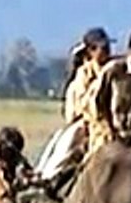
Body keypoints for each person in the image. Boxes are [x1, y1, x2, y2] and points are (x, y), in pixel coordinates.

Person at [40, 25, 131, 189]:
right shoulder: (104, 73)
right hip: (103, 129)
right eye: (102, 47)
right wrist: (109, 130)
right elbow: (93, 106)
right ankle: (51, 178)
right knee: (73, 140)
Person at [36, 28, 115, 179]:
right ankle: (48, 177)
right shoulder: (84, 75)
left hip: (118, 123)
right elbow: (80, 108)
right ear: (91, 51)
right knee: (69, 140)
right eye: (103, 48)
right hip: (90, 124)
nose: (108, 52)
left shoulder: (116, 69)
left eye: (108, 48)